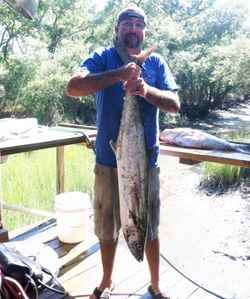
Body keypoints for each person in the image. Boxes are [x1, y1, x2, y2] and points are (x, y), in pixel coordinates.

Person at [66, 6, 180, 299]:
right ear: (116, 30)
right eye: (126, 24)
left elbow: (175, 104)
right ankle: (106, 281)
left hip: (145, 163)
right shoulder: (102, 57)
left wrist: (145, 91)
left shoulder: (155, 62)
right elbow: (73, 87)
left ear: (144, 32)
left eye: (137, 25)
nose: (132, 29)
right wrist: (119, 74)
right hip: (107, 161)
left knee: (150, 224)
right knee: (106, 226)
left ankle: (155, 284)